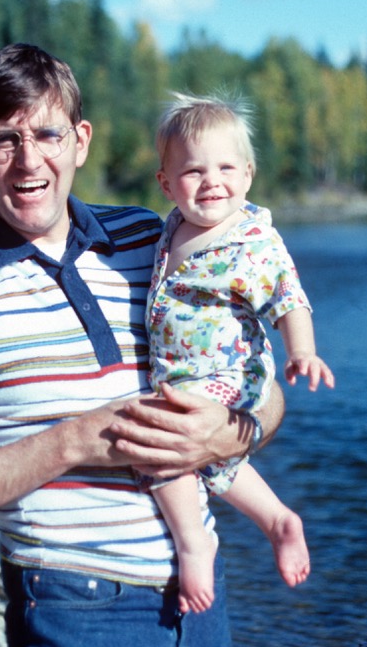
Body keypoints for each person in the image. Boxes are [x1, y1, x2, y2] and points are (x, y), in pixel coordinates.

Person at [0, 44, 284, 646]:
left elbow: (265, 393)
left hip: (202, 600)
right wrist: (70, 442)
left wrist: (221, 431)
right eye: (3, 140)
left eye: (47, 134)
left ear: (80, 141)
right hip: (76, 607)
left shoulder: (158, 240)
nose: (28, 161)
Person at [144, 93, 335, 614]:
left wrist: (303, 352)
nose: (211, 181)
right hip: (183, 374)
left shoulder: (253, 241)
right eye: (192, 171)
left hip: (232, 372)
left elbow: (289, 298)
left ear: (248, 175)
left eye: (226, 167)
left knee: (164, 446)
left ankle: (194, 543)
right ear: (166, 183)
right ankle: (277, 520)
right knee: (211, 461)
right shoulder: (172, 227)